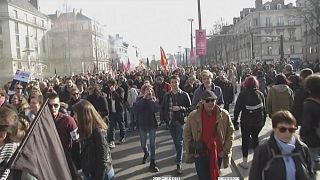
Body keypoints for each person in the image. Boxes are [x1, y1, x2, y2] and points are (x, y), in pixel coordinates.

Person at [249, 111, 315, 180]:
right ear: (274, 129)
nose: (287, 133)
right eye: (282, 129)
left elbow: (310, 173)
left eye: (291, 129)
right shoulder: (263, 150)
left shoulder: (302, 148)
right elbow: (255, 176)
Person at [184, 90, 234, 180]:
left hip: (217, 154)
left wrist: (225, 150)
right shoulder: (193, 116)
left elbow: (230, 133)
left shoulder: (224, 114)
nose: (210, 103)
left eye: (213, 100)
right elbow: (187, 134)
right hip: (200, 154)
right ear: (202, 101)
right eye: (207, 101)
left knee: (214, 176)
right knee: (203, 177)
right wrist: (192, 151)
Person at [72, 100, 114, 180]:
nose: (74, 117)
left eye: (75, 114)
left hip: (101, 174)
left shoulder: (98, 132)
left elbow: (103, 160)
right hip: (90, 173)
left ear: (83, 115)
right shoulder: (85, 130)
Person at [233, 76, 266, 169]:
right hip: (258, 121)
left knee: (245, 140)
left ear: (246, 84)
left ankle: (245, 162)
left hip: (246, 121)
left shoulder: (243, 94)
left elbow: (237, 109)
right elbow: (264, 109)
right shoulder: (260, 94)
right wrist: (263, 122)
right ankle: (257, 161)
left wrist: (235, 121)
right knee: (255, 138)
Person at [162, 75, 191, 174]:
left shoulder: (184, 94)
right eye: (172, 82)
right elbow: (163, 109)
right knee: (175, 142)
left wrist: (180, 108)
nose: (174, 84)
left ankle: (179, 163)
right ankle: (179, 155)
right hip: (170, 122)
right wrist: (165, 120)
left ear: (179, 82)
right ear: (170, 84)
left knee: (179, 142)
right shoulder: (167, 95)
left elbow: (190, 108)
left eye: (176, 82)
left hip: (180, 122)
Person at [134, 84, 160, 172]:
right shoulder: (139, 99)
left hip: (152, 124)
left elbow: (155, 110)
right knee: (143, 144)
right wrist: (144, 98)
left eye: (150, 90)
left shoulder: (154, 99)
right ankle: (146, 153)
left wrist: (151, 100)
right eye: (146, 90)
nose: (148, 91)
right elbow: (137, 108)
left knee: (152, 144)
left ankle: (153, 162)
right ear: (143, 91)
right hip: (142, 124)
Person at [300, 73, 320, 171]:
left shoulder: (309, 103)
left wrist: (302, 135)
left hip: (313, 139)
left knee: (310, 167)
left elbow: (306, 124)